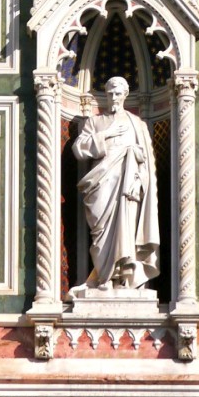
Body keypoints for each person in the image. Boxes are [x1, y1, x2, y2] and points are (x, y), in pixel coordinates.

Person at [72, 75, 160, 293]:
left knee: (126, 230)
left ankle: (124, 278)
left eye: (118, 93)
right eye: (110, 93)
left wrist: (139, 179)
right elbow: (78, 149)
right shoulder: (94, 122)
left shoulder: (137, 124)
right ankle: (103, 276)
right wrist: (106, 135)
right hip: (101, 183)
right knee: (100, 232)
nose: (113, 97)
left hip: (128, 186)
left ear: (126, 94)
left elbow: (147, 161)